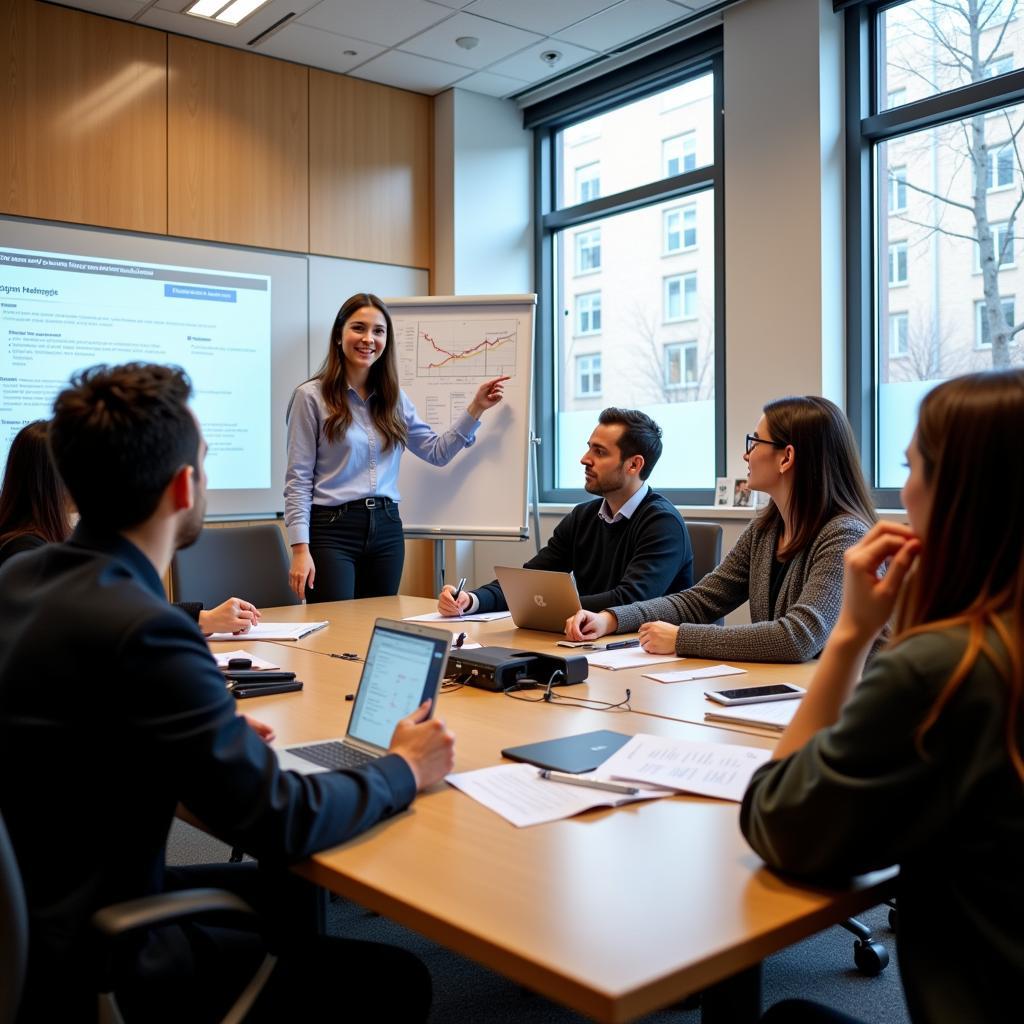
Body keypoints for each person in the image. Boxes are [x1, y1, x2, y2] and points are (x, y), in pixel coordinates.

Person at [0, 363, 455, 1021]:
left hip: (51, 904)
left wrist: (199, 740)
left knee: (289, 895)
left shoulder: (25, 580)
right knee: (395, 978)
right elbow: (284, 818)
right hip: (107, 955)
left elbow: (83, 733)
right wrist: (403, 769)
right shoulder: (146, 628)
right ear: (184, 486)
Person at [741, 369, 1024, 1024]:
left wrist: (853, 637)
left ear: (958, 492)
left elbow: (777, 819)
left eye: (911, 467)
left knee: (788, 1020)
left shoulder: (948, 669)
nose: (901, 495)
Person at [565, 396, 876, 661]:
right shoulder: (765, 531)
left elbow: (798, 637)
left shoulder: (845, 535)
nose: (746, 454)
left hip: (854, 709)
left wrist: (681, 639)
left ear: (787, 458)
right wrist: (611, 618)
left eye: (754, 442)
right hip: (790, 693)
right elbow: (699, 601)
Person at [285, 293, 509, 603]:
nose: (369, 339)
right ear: (339, 335)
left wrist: (476, 408)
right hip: (332, 530)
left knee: (376, 622)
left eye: (378, 331)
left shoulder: (395, 400)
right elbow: (298, 479)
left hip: (387, 529)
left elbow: (436, 452)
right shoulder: (310, 397)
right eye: (358, 328)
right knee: (333, 626)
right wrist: (300, 549)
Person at [0, 419, 261, 634]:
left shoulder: (45, 542)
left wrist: (202, 617)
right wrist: (202, 619)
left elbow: (111, 606)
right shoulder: (24, 553)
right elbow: (102, 615)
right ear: (50, 481)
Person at [436, 408, 693, 617]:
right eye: (589, 447)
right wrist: (472, 600)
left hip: (647, 654)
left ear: (634, 464)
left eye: (599, 452)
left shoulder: (662, 523)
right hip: (588, 641)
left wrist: (546, 604)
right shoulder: (582, 517)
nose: (584, 458)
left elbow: (631, 601)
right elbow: (530, 580)